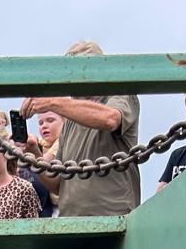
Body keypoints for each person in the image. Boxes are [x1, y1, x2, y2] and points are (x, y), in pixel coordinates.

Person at [23, 41, 140, 218]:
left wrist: (52, 102)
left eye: (77, 71)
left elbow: (110, 119)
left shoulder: (120, 93)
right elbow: (57, 183)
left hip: (114, 219)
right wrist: (34, 154)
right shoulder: (70, 121)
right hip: (72, 222)